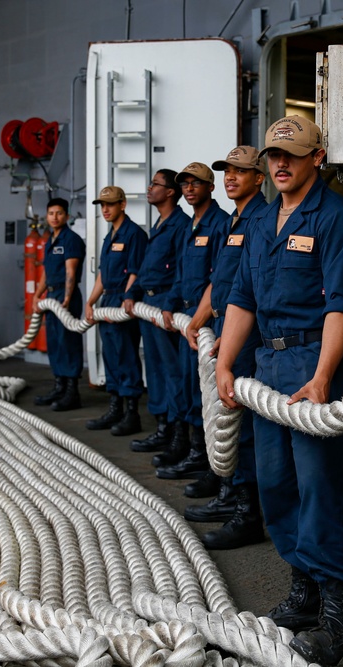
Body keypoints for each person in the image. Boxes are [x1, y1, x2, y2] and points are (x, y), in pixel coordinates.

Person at [216, 117, 343, 665]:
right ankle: (302, 585)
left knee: (319, 488)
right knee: (276, 486)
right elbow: (242, 298)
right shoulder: (260, 223)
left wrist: (324, 376)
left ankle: (335, 606)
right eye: (273, 157)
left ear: (318, 158)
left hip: (311, 362)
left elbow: (342, 305)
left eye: (292, 156)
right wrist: (225, 363)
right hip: (266, 365)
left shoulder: (340, 221)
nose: (279, 164)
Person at [183, 146, 269, 550]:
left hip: (246, 330)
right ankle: (231, 496)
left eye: (241, 171)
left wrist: (228, 333)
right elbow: (220, 279)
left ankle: (247, 513)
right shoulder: (236, 219)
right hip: (225, 324)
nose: (231, 177)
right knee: (224, 414)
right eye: (227, 171)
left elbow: (247, 290)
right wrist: (201, 320)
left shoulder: (261, 219)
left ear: (259, 177)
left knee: (241, 417)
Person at [153, 162, 230, 482]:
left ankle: (206, 459)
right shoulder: (189, 227)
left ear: (210, 187)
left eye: (195, 183)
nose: (189, 188)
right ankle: (190, 449)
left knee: (206, 393)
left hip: (207, 322)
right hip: (186, 318)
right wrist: (170, 305)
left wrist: (198, 320)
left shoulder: (221, 224)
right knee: (186, 386)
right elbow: (181, 275)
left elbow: (219, 278)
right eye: (184, 184)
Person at [124, 170, 190, 460]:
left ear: (170, 192)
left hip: (165, 305)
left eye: (155, 185)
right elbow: (148, 265)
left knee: (171, 371)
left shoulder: (180, 225)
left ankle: (177, 433)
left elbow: (181, 271)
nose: (149, 188)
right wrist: (132, 293)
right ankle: (162, 426)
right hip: (149, 304)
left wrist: (170, 304)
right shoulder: (160, 224)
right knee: (155, 368)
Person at [84, 186, 148, 436]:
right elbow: (102, 274)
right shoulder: (109, 236)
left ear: (123, 204)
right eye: (102, 205)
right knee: (110, 356)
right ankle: (115, 409)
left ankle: (132, 414)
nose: (105, 209)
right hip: (107, 302)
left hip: (123, 303)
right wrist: (90, 302)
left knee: (125, 357)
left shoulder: (133, 234)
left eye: (110, 204)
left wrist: (127, 299)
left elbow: (135, 271)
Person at [32, 197, 87, 412]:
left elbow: (70, 271)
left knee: (68, 343)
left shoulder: (70, 240)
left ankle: (72, 392)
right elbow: (46, 272)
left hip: (66, 297)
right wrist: (37, 295)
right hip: (50, 297)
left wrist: (66, 298)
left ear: (67, 216)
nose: (55, 217)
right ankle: (59, 387)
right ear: (47, 216)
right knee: (54, 342)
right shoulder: (50, 241)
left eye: (59, 213)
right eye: (51, 213)